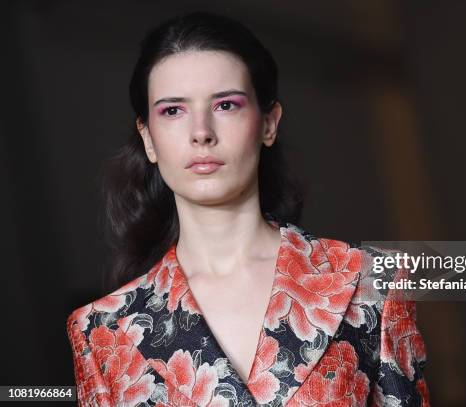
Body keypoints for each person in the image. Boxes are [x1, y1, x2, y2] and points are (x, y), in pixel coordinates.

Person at [66, 11, 430, 407]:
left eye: (225, 105)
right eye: (173, 110)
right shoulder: (103, 332)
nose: (201, 132)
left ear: (269, 123)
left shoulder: (367, 282)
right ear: (148, 138)